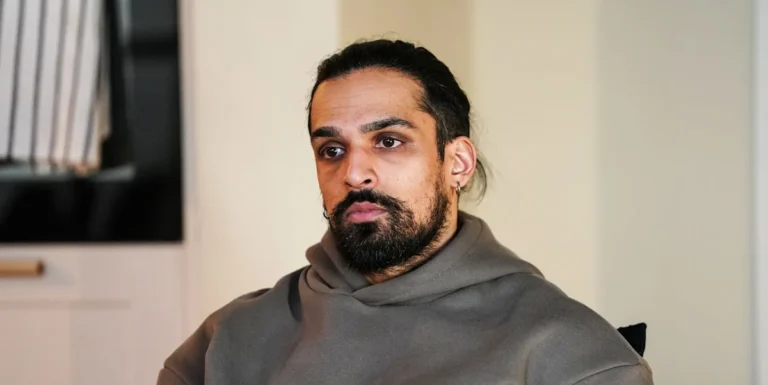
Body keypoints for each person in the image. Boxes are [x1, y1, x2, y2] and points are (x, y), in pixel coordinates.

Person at [157, 39, 653, 385]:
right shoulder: (225, 341)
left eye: (388, 141)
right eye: (331, 150)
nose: (355, 173)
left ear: (456, 162)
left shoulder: (569, 353)